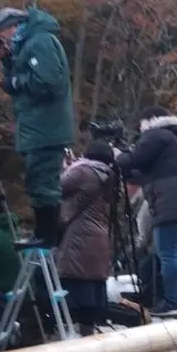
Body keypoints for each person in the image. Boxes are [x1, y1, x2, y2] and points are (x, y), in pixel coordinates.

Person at [0, 7, 75, 247]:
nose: (2, 38)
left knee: (43, 181)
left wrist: (16, 82)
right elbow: (27, 77)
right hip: (36, 125)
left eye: (2, 33)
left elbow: (47, 81)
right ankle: (44, 233)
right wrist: (7, 59)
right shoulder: (28, 44)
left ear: (13, 27)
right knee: (36, 180)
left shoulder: (41, 41)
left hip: (46, 126)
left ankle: (47, 235)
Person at [117, 108, 177, 318]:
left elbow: (135, 160)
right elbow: (145, 169)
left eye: (142, 124)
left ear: (152, 120)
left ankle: (173, 301)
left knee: (169, 253)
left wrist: (119, 155)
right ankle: (176, 299)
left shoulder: (157, 135)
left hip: (168, 200)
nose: (141, 129)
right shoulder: (174, 140)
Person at [55, 143, 118, 336]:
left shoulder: (83, 172)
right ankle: (87, 330)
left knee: (75, 283)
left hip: (79, 236)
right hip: (100, 237)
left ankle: (71, 332)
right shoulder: (110, 176)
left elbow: (58, 186)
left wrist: (66, 167)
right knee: (91, 285)